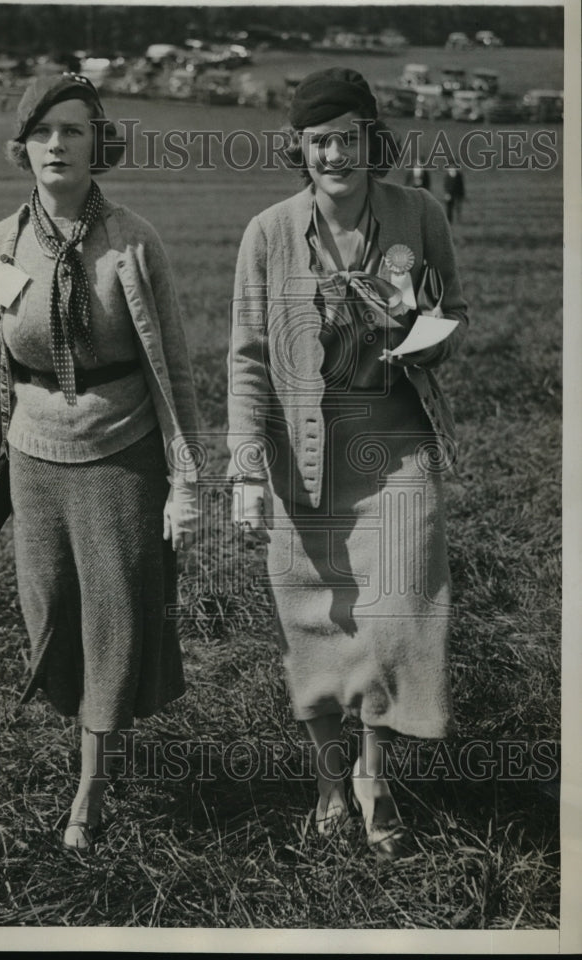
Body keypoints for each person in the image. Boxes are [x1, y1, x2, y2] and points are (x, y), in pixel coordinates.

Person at [228, 68, 468, 858]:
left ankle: (374, 780)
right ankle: (330, 782)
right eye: (318, 140)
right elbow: (248, 358)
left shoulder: (419, 212)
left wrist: (410, 329)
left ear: (372, 140)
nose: (334, 154)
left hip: (395, 437)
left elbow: (450, 318)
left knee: (397, 614)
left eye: (347, 138)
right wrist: (244, 471)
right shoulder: (267, 232)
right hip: (304, 450)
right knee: (317, 621)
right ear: (299, 148)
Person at [0, 73, 200, 852]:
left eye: (72, 130)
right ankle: (88, 745)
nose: (57, 145)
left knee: (115, 616)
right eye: (42, 132)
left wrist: (186, 476)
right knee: (54, 611)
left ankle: (90, 784)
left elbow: (174, 368)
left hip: (121, 452)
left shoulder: (133, 242)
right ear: (22, 148)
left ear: (98, 142)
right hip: (34, 457)